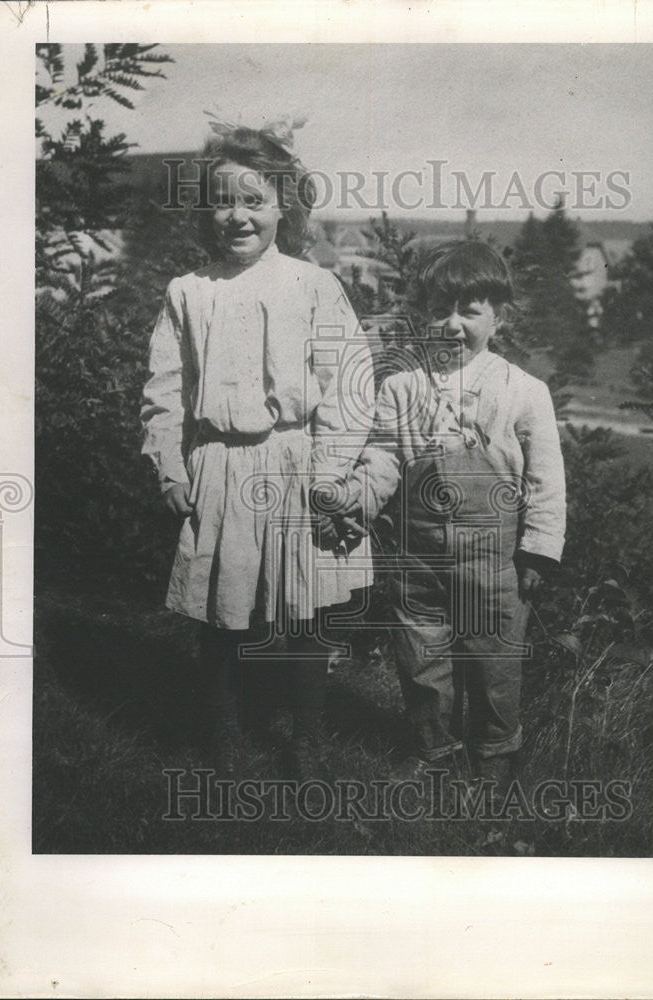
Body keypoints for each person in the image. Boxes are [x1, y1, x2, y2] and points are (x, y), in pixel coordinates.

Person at [140, 114, 372, 779]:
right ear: (204, 209)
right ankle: (217, 739)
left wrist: (330, 471)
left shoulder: (312, 285)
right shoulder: (189, 293)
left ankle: (305, 741)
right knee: (221, 609)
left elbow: (349, 383)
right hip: (218, 464)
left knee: (302, 613)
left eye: (254, 200)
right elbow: (164, 390)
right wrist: (169, 465)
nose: (237, 216)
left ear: (281, 207)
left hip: (298, 460)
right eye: (223, 201)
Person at [335, 240, 566, 793]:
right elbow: (384, 456)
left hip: (496, 558)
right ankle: (432, 749)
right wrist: (359, 499)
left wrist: (539, 547)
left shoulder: (524, 392)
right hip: (419, 554)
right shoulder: (400, 386)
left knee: (493, 662)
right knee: (420, 657)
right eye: (440, 309)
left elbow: (546, 478)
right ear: (420, 315)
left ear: (499, 317)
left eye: (470, 311)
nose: (452, 324)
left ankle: (493, 755)